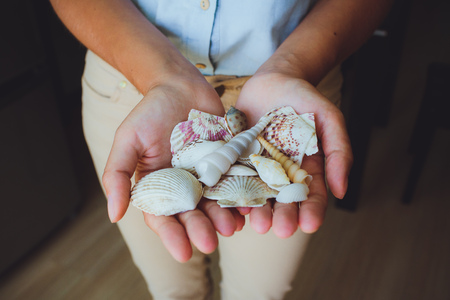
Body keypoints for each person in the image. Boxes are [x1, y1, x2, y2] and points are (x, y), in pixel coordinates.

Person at [50, 0, 392, 299]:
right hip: (134, 78)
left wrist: (292, 68)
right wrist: (165, 77)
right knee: (172, 293)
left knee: (258, 295)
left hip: (293, 86)